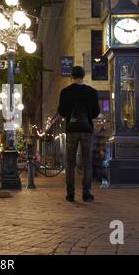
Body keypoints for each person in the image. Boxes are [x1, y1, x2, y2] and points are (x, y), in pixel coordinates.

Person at [57, 66, 100, 203]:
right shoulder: (91, 92)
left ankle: (70, 194)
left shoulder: (65, 92)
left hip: (71, 129)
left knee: (70, 163)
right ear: (83, 76)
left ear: (71, 76)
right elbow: (96, 112)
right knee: (87, 162)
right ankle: (86, 194)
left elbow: (62, 112)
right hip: (87, 130)